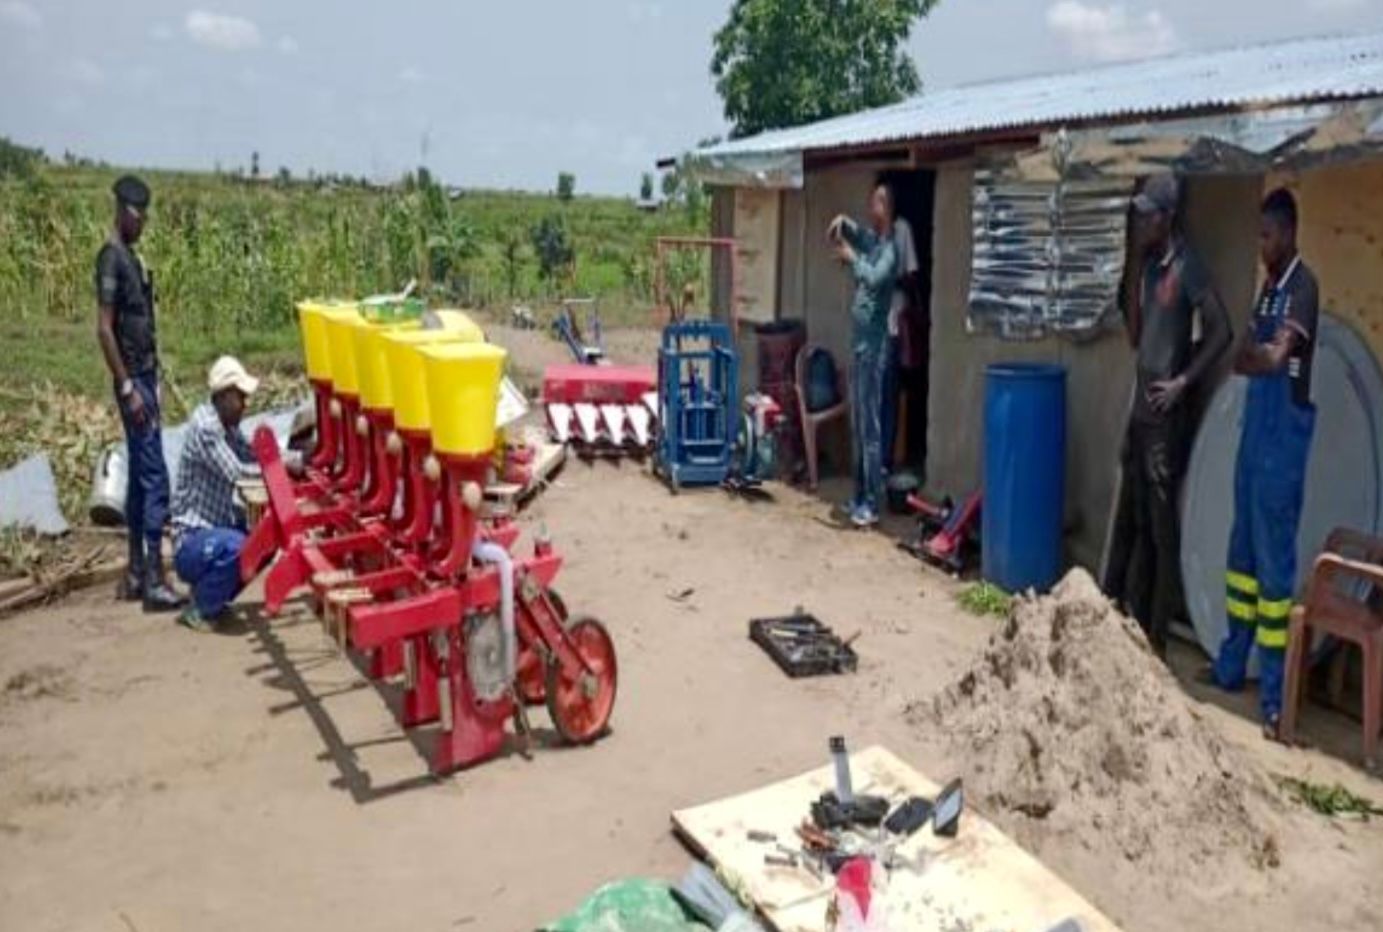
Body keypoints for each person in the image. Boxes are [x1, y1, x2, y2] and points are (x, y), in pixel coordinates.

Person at [1102, 173, 1231, 657]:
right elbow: (1136, 337)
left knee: (1161, 530)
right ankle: (1124, 618)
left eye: (1147, 216)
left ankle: (1155, 638)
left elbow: (1222, 331)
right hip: (1141, 410)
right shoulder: (1152, 267)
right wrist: (1134, 266)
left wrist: (1182, 383)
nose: (1140, 224)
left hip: (1164, 418)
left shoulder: (1187, 266)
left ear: (1168, 217)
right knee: (1133, 521)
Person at [1207, 188, 1319, 739]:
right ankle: (1231, 667)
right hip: (1254, 444)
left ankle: (1274, 700)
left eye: (1267, 235)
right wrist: (1254, 356)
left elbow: (1272, 359)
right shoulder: (1270, 290)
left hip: (1281, 448)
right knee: (1241, 561)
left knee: (1274, 574)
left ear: (1289, 233)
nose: (1261, 245)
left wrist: (1255, 356)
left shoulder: (1301, 288)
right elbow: (1244, 358)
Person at [95, 175, 183, 612]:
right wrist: (128, 385)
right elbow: (104, 329)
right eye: (139, 216)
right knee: (154, 478)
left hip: (145, 376)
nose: (143, 223)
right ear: (123, 213)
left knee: (137, 481)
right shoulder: (111, 259)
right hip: (134, 382)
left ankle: (134, 573)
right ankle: (154, 579)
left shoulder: (129, 257)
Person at [169, 357, 266, 632]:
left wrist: (292, 459)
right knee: (239, 548)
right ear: (223, 396)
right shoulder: (207, 429)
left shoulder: (227, 425)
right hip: (192, 539)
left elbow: (252, 454)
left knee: (266, 538)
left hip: (213, 530)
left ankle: (214, 596)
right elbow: (238, 472)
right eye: (240, 397)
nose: (245, 404)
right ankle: (200, 609)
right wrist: (277, 474)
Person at [829, 184, 900, 527]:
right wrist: (843, 222)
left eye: (876, 202)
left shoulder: (890, 251)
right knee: (859, 425)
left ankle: (871, 502)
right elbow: (857, 235)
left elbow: (872, 278)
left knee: (870, 429)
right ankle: (858, 496)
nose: (871, 207)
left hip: (873, 348)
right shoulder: (873, 242)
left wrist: (852, 258)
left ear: (888, 208)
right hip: (860, 346)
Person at [881, 203, 922, 478]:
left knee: (890, 396)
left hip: (894, 328)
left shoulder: (902, 229)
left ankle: (886, 460)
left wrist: (891, 280)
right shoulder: (869, 234)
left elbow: (912, 277)